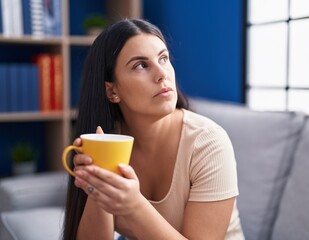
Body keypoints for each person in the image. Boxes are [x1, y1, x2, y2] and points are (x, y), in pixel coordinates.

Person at [63, 18, 244, 240]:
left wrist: (135, 207)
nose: (162, 74)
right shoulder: (109, 143)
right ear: (112, 92)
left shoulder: (208, 143)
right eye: (141, 65)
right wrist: (97, 183)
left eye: (164, 58)